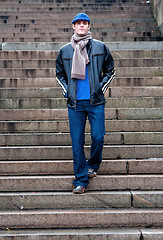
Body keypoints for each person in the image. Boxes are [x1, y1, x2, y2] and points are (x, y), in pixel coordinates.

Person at [56, 13, 115, 194]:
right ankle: (80, 181)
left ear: (89, 26)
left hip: (95, 101)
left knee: (98, 136)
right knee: (77, 142)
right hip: (75, 104)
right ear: (73, 26)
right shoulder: (65, 51)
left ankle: (93, 164)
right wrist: (67, 91)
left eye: (85, 23)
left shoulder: (100, 47)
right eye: (78, 23)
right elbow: (59, 74)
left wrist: (100, 88)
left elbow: (110, 70)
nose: (81, 26)